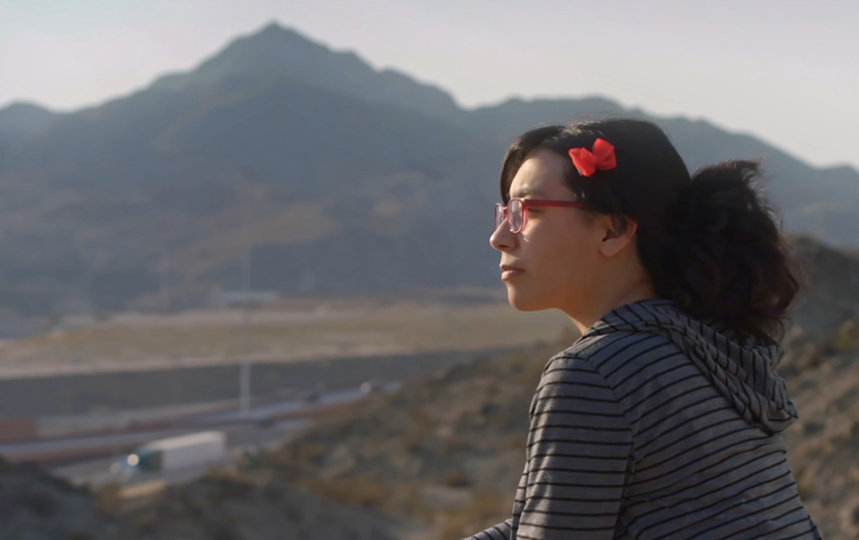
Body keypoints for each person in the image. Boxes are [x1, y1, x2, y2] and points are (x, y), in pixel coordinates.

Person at [466, 119, 820, 539]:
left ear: (612, 229)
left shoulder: (597, 374)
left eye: (531, 211)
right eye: (506, 211)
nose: (500, 237)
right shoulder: (702, 344)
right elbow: (561, 511)